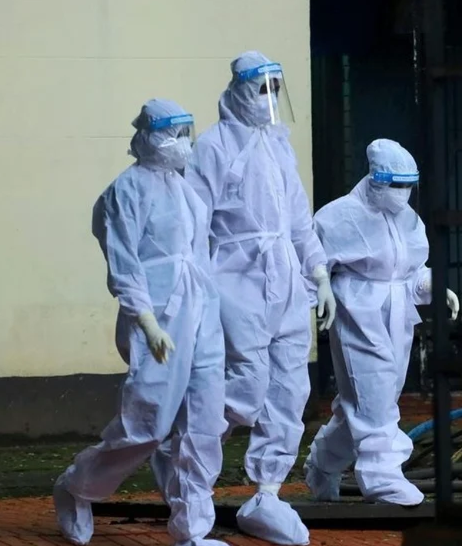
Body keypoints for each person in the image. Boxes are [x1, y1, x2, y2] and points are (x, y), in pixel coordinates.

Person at [158, 51, 336, 546]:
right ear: (238, 90)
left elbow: (298, 220)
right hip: (238, 281)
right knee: (246, 389)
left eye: (276, 89)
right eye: (262, 89)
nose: (270, 99)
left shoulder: (278, 144)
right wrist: (194, 288)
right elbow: (193, 222)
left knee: (290, 391)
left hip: (286, 282)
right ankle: (185, 464)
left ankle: (267, 494)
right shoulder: (213, 147)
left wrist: (318, 272)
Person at [53, 98, 229, 546]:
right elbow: (124, 263)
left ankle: (192, 528)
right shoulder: (126, 190)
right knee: (147, 425)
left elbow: (198, 255)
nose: (183, 143)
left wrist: (212, 309)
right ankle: (77, 486)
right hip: (158, 317)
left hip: (201, 314)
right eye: (174, 134)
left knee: (204, 422)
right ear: (149, 136)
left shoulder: (184, 188)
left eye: (186, 133)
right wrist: (147, 323)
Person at [303, 139, 460, 506]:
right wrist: (317, 292)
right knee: (373, 396)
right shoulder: (339, 216)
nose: (403, 194)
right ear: (376, 179)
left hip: (398, 314)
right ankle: (383, 477)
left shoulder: (408, 220)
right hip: (358, 310)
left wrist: (433, 285)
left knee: (368, 398)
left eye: (409, 185)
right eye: (396, 185)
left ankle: (322, 465)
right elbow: (312, 260)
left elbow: (411, 270)